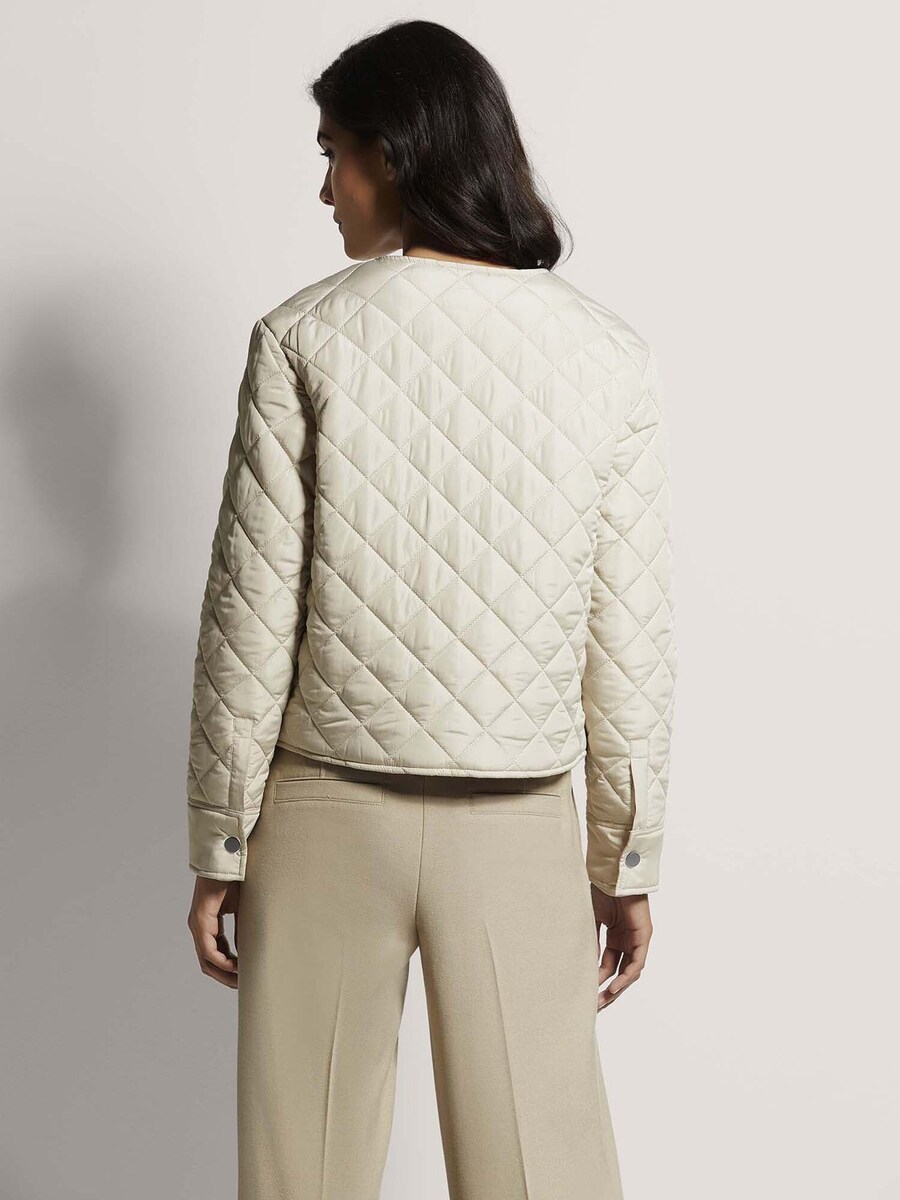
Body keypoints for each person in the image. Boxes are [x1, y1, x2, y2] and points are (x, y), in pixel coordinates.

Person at [184, 18, 677, 1200]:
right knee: (544, 1177)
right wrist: (624, 855)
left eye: (335, 154)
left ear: (394, 155)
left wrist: (220, 840)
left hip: (321, 811)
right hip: (518, 821)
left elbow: (252, 616)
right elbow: (629, 639)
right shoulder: (608, 356)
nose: (325, 190)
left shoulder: (301, 336)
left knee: (300, 1178)